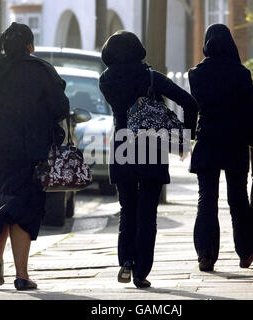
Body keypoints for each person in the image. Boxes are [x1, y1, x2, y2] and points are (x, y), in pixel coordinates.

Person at [0, 22, 69, 290]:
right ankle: (22, 274)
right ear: (30, 46)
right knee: (23, 206)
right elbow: (61, 107)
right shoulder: (41, 71)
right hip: (30, 152)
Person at [99, 30, 198, 288]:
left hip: (122, 146)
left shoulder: (105, 80)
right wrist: (185, 138)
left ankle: (126, 262)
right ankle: (142, 270)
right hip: (150, 146)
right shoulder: (151, 77)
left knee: (127, 209)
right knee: (147, 212)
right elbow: (189, 103)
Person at [188, 24, 253, 272]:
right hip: (235, 142)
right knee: (238, 198)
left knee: (206, 200)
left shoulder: (196, 74)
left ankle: (206, 255)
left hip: (208, 141)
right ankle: (246, 250)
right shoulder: (241, 74)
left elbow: (198, 106)